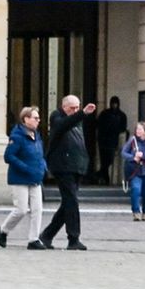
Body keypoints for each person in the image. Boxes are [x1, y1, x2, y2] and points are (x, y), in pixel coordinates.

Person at [39, 95, 96, 251]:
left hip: (76, 166)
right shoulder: (57, 117)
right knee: (72, 201)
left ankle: (47, 236)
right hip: (63, 166)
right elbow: (63, 125)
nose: (75, 111)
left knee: (68, 204)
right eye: (72, 108)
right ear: (64, 107)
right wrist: (82, 113)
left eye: (78, 107)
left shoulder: (77, 120)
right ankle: (73, 238)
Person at [0, 106, 49, 251]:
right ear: (26, 119)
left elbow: (39, 154)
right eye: (35, 118)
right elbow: (8, 156)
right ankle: (3, 230)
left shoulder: (37, 136)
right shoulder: (17, 137)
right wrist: (25, 167)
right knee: (21, 209)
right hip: (19, 178)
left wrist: (43, 166)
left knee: (37, 209)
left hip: (35, 177)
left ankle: (33, 239)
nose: (38, 121)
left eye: (38, 118)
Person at [122, 122, 145, 220]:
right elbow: (124, 152)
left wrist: (144, 155)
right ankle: (136, 212)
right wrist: (133, 157)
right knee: (135, 190)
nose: (138, 131)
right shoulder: (132, 140)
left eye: (140, 129)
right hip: (136, 171)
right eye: (137, 129)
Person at [95, 96, 128, 185]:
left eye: (115, 103)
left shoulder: (121, 115)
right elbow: (99, 126)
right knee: (104, 162)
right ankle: (106, 179)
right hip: (104, 141)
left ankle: (100, 175)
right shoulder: (105, 114)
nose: (114, 105)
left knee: (109, 161)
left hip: (113, 142)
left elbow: (123, 129)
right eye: (113, 103)